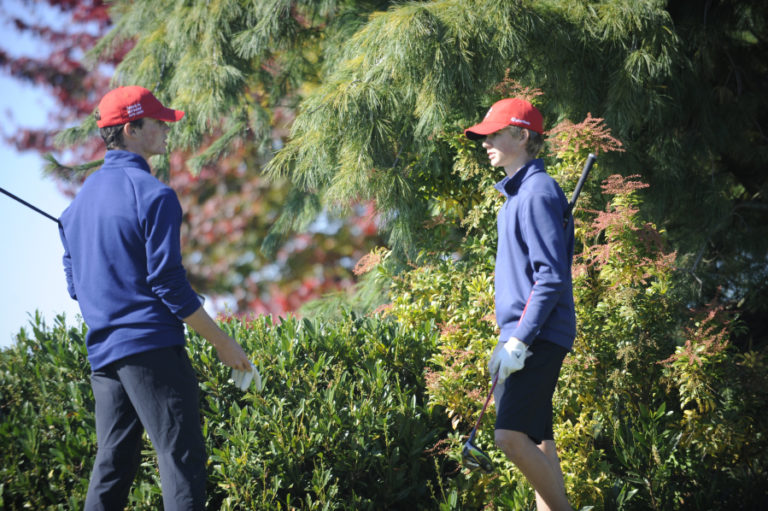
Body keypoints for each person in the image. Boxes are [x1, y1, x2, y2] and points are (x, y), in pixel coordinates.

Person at [58, 85, 254, 510]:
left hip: (105, 355)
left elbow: (77, 287)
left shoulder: (75, 209)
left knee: (113, 465)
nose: (167, 128)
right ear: (132, 129)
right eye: (157, 121)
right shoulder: (154, 195)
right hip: (151, 349)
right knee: (180, 458)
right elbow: (167, 283)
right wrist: (223, 343)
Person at [464, 98, 575, 511]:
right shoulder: (516, 198)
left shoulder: (537, 193)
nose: (485, 142)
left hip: (538, 334)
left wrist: (520, 341)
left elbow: (551, 277)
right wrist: (509, 338)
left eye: (494, 133)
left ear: (522, 136)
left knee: (508, 437)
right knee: (537, 439)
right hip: (524, 333)